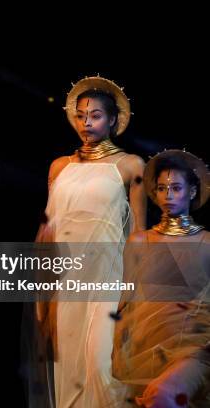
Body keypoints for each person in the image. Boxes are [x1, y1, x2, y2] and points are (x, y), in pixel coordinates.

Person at [34, 76, 146, 407]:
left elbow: (140, 232)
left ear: (112, 120)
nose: (86, 122)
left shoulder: (129, 165)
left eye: (95, 115)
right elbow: (48, 229)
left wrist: (134, 285)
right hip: (68, 277)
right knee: (70, 370)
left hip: (109, 276)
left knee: (101, 366)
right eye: (81, 115)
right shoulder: (60, 167)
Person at [113, 149, 210, 407]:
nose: (168, 195)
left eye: (176, 188)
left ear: (191, 192)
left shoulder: (207, 241)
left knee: (165, 396)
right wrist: (116, 347)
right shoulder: (139, 241)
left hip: (194, 347)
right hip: (144, 348)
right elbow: (125, 299)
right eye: (161, 188)